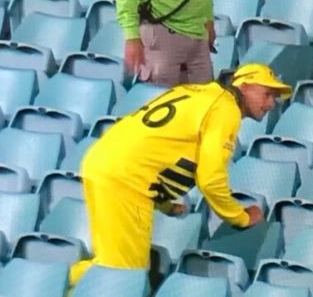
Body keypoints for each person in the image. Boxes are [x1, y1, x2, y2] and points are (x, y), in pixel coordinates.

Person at [68, 63, 292, 285]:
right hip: (126, 180)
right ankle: (55, 283)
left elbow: (157, 147)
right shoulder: (226, 108)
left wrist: (165, 205)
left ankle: (57, 283)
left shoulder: (196, 92)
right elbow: (211, 179)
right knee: (125, 274)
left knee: (113, 264)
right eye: (267, 94)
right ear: (244, 86)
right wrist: (240, 217)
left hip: (102, 163)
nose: (271, 104)